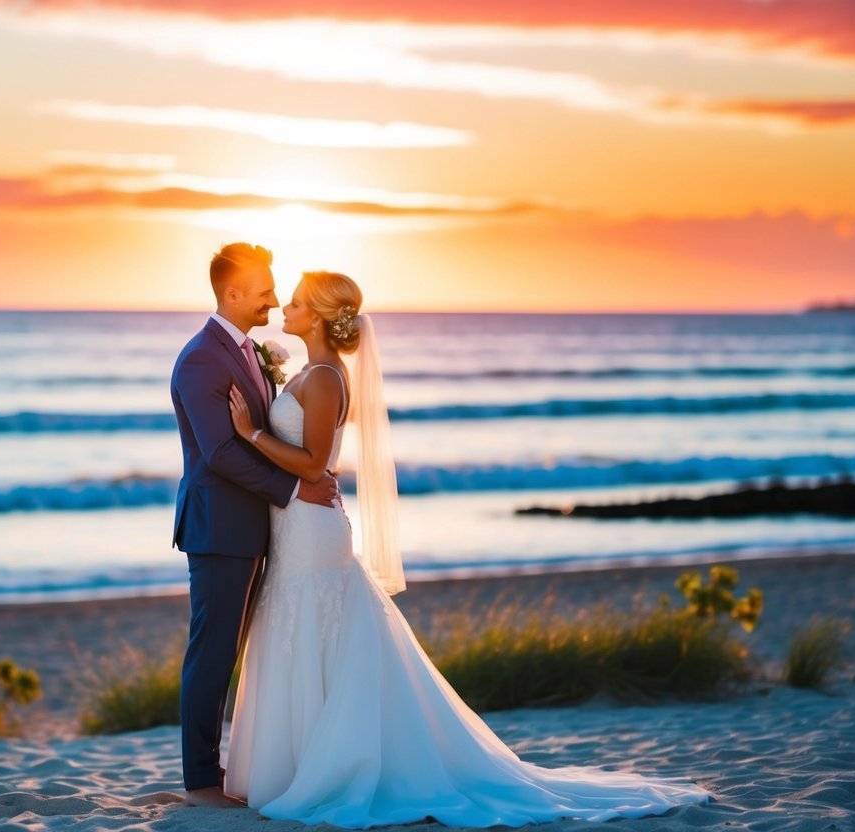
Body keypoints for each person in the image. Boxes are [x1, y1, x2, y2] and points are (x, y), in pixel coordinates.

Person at [224, 270, 712, 828]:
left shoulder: (328, 377)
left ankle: (316, 772)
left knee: (310, 632)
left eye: (295, 302)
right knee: (304, 637)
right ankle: (294, 768)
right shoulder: (313, 371)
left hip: (312, 532)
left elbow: (314, 465)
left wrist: (250, 434)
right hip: (298, 527)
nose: (285, 307)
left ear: (318, 315)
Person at [169, 242, 339, 809]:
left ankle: (229, 772)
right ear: (233, 293)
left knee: (233, 652)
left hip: (258, 527)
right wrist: (295, 489)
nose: (271, 297)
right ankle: (199, 783)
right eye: (264, 289)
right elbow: (220, 452)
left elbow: (264, 438)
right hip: (219, 528)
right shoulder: (202, 358)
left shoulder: (246, 352)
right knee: (212, 652)